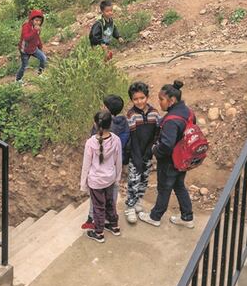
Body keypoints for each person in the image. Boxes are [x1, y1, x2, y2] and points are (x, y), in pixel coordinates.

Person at [138, 80, 195, 228]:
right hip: (184, 159)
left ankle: (155, 217)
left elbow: (167, 145)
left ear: (172, 100)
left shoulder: (171, 121)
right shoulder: (188, 112)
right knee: (179, 186)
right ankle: (187, 218)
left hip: (170, 162)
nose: (160, 103)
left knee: (164, 188)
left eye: (162, 100)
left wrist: (154, 150)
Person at [81, 95, 127, 230]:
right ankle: (113, 225)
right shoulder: (119, 134)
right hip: (111, 175)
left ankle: (97, 228)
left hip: (96, 179)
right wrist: (117, 177)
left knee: (97, 205)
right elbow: (119, 159)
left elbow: (86, 165)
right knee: (110, 201)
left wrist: (83, 184)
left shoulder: (91, 142)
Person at [123, 81, 161, 224]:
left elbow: (156, 134)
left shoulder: (154, 113)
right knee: (134, 180)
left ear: (147, 97)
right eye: (135, 99)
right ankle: (130, 207)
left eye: (142, 98)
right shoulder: (131, 115)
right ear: (132, 100)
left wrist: (149, 152)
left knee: (144, 179)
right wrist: (136, 156)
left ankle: (138, 201)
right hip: (135, 153)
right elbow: (132, 138)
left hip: (148, 153)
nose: (139, 101)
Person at [16, 9, 47, 82]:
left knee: (43, 58)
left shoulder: (38, 28)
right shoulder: (26, 26)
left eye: (39, 21)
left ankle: (40, 74)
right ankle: (18, 79)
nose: (38, 22)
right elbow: (26, 38)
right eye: (36, 20)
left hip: (33, 49)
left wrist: (40, 47)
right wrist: (35, 31)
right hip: (25, 50)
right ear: (32, 20)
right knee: (24, 66)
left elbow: (37, 38)